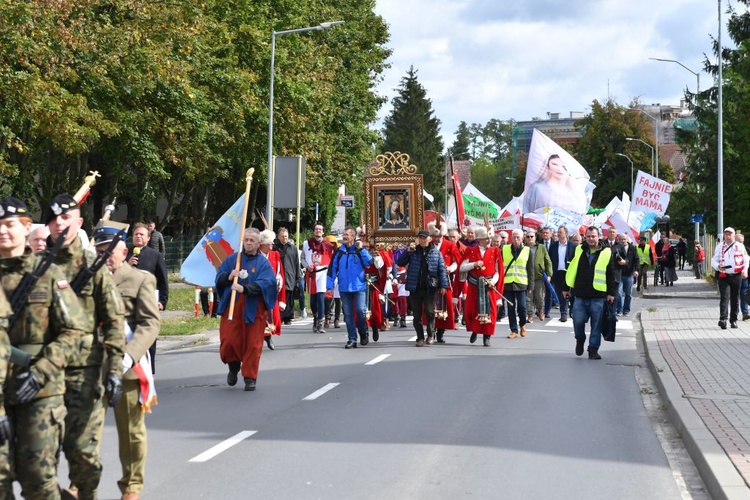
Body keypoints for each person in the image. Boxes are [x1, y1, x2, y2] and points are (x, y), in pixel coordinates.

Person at [0, 197, 86, 498]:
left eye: (9, 225)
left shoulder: (48, 274)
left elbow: (75, 330)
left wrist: (42, 370)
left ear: (27, 230)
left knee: (37, 478)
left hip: (40, 392)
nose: (2, 232)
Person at [45, 194, 126, 499]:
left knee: (82, 456)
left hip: (84, 373)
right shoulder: (37, 265)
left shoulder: (94, 265)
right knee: (40, 459)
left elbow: (114, 320)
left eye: (67, 218)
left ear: (79, 223)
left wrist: (115, 370)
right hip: (44, 374)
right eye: (54, 219)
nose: (59, 224)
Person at [93, 224, 160, 500]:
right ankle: (81, 485)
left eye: (110, 249)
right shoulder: (84, 279)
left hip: (126, 368)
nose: (105, 254)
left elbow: (149, 324)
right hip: (91, 367)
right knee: (85, 433)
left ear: (123, 250)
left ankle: (131, 488)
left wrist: (128, 356)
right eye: (99, 249)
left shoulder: (139, 279)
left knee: (132, 434)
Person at [216, 228, 277, 389]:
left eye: (252, 240)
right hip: (233, 307)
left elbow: (268, 283)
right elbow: (219, 276)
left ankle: (250, 377)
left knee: (253, 344)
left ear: (258, 244)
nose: (248, 243)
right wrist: (228, 277)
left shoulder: (263, 263)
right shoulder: (233, 259)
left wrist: (247, 289)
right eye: (246, 240)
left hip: (254, 308)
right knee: (229, 340)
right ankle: (233, 366)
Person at [563, 226, 617, 360]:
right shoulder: (578, 250)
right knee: (578, 322)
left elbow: (611, 274)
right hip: (580, 294)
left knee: (596, 325)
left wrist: (611, 293)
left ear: (599, 237)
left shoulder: (606, 252)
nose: (591, 239)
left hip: (598, 295)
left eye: (593, 236)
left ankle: (593, 349)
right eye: (588, 236)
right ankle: (580, 340)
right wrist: (566, 288)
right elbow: (570, 269)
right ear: (584, 237)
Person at [127, 222, 168, 372]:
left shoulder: (155, 256)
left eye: (141, 234)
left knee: (149, 338)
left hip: (149, 304)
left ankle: (150, 371)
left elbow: (163, 281)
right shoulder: (125, 253)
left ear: (148, 238)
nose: (138, 237)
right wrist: (127, 264)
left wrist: (162, 301)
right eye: (136, 234)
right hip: (128, 304)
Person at [396, 230, 449, 346]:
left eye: (424, 238)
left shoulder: (436, 252)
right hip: (415, 287)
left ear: (429, 239)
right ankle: (420, 337)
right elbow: (399, 262)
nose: (422, 240)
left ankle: (430, 334)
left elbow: (442, 269)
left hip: (429, 287)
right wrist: (407, 251)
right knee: (417, 314)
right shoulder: (413, 251)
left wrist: (444, 285)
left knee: (430, 312)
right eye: (420, 238)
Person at [327, 227, 373, 348]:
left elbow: (369, 262)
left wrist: (361, 249)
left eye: (347, 235)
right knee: (348, 315)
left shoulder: (359, 250)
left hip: (359, 287)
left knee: (360, 311)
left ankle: (363, 332)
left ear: (353, 236)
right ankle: (352, 338)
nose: (344, 236)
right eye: (344, 234)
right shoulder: (339, 252)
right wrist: (329, 286)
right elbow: (332, 270)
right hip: (344, 288)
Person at [460, 227, 503, 346]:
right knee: (473, 310)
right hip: (474, 285)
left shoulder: (495, 251)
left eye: (489, 238)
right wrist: (474, 265)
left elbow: (497, 271)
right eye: (486, 238)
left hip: (488, 285)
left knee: (491, 311)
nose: (489, 240)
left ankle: (487, 336)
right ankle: (475, 330)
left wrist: (493, 282)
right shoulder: (471, 250)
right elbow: (462, 268)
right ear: (480, 240)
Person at [429, 221, 461, 343]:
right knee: (430, 306)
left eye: (438, 237)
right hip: (430, 280)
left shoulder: (450, 245)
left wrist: (450, 268)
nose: (436, 239)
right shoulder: (428, 245)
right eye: (434, 236)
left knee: (444, 307)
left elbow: (457, 262)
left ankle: (441, 332)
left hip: (445, 279)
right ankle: (431, 331)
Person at [523, 154, 588, 214]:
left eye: (564, 166)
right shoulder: (537, 188)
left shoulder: (575, 192)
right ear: (547, 166)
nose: (559, 169)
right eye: (554, 164)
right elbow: (528, 209)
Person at [712, 227, 749, 329]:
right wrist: (717, 266)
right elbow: (714, 260)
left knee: (735, 297)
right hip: (724, 275)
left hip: (736, 275)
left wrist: (745, 271)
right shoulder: (719, 246)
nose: (727, 236)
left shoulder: (740, 246)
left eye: (730, 234)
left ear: (734, 235)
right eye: (726, 234)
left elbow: (746, 259)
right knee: (724, 296)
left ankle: (733, 320)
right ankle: (723, 319)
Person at [301, 223, 334, 333]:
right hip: (311, 274)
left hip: (322, 273)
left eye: (320, 229)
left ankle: (320, 322)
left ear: (323, 232)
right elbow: (302, 258)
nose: (318, 231)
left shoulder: (328, 245)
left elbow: (331, 260)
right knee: (313, 299)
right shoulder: (306, 243)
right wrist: (307, 266)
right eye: (316, 229)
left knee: (321, 298)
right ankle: (315, 317)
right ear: (314, 231)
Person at [502, 229, 534, 339]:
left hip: (521, 283)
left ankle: (523, 325)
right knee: (511, 307)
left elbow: (530, 269)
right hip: (508, 282)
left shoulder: (528, 250)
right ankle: (514, 330)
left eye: (518, 237)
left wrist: (531, 285)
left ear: (522, 239)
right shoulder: (505, 249)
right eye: (514, 237)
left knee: (522, 306)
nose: (515, 239)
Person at [259, 229, 285, 350]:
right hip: (258, 291)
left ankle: (268, 337)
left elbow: (280, 274)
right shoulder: (255, 256)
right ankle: (259, 339)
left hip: (272, 292)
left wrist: (282, 298)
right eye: (270, 243)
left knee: (273, 317)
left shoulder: (275, 255)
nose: (272, 245)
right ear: (263, 244)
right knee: (259, 317)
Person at [549, 226, 577, 322]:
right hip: (557, 273)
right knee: (561, 294)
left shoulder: (573, 246)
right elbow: (550, 259)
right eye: (558, 232)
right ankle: (563, 313)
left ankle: (572, 309)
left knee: (571, 293)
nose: (558, 234)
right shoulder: (553, 246)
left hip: (569, 273)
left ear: (566, 233)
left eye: (560, 232)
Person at [274, 227, 300, 326]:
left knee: (289, 297)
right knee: (279, 295)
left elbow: (296, 262)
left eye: (286, 236)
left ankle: (288, 317)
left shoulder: (292, 248)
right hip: (279, 275)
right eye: (282, 236)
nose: (284, 238)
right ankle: (279, 316)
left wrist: (297, 276)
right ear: (278, 237)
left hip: (290, 275)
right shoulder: (275, 247)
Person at [525, 231, 552, 322]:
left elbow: (548, 261)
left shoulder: (541, 247)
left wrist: (549, 274)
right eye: (528, 237)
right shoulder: (523, 248)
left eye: (531, 236)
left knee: (540, 297)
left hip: (539, 277)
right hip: (527, 278)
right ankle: (530, 314)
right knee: (529, 298)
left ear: (535, 238)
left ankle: (540, 311)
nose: (530, 238)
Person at [616, 233, 639, 316]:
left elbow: (636, 260)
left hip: (629, 274)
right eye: (621, 239)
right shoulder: (616, 247)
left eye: (624, 239)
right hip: (619, 274)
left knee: (628, 293)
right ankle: (619, 310)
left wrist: (636, 270)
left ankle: (626, 310)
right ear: (618, 239)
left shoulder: (632, 248)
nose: (623, 241)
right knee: (618, 293)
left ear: (627, 239)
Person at [736, 233, 750, 321]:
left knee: (744, 294)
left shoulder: (747, 250)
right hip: (733, 276)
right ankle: (735, 312)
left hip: (744, 276)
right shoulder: (731, 251)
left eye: (741, 242)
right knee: (734, 294)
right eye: (738, 242)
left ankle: (745, 312)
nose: (740, 244)